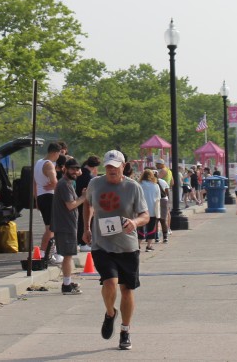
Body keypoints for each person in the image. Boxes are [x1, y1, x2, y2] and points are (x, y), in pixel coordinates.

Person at [85, 150, 148, 351]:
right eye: (108, 166)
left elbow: (145, 215)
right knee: (110, 282)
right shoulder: (95, 183)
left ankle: (125, 330)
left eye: (115, 166)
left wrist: (134, 222)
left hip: (127, 246)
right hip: (102, 244)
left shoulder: (133, 187)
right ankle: (110, 313)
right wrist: (86, 227)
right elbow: (88, 203)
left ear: (123, 166)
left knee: (126, 290)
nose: (111, 170)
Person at [51, 157, 88, 295]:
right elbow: (71, 205)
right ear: (65, 169)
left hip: (67, 224)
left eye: (77, 169)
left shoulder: (68, 183)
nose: (75, 171)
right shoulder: (64, 184)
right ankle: (66, 285)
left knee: (69, 255)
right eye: (72, 169)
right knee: (67, 255)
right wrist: (83, 197)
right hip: (65, 225)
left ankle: (68, 281)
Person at [33, 142, 62, 264]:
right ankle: (46, 252)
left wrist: (36, 200)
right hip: (49, 196)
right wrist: (54, 186)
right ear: (55, 152)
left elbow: (34, 183)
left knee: (49, 227)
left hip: (41, 196)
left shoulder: (38, 162)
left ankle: (45, 252)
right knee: (51, 228)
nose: (59, 157)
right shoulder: (49, 164)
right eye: (59, 154)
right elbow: (55, 182)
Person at [76, 155, 100, 252]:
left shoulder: (79, 172)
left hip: (77, 200)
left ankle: (79, 242)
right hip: (86, 201)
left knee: (80, 222)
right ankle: (84, 243)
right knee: (86, 221)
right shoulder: (90, 178)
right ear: (95, 166)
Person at [137, 170, 160, 252]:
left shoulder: (139, 185)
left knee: (140, 228)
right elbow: (158, 198)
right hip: (152, 209)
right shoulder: (155, 186)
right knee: (151, 228)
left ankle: (138, 245)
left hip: (141, 209)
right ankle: (149, 246)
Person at [154, 159, 172, 242]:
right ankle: (167, 232)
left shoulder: (163, 171)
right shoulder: (169, 171)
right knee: (165, 216)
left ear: (161, 164)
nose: (156, 166)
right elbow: (172, 182)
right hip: (165, 197)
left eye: (157, 164)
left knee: (157, 219)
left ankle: (156, 237)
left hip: (158, 198)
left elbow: (157, 179)